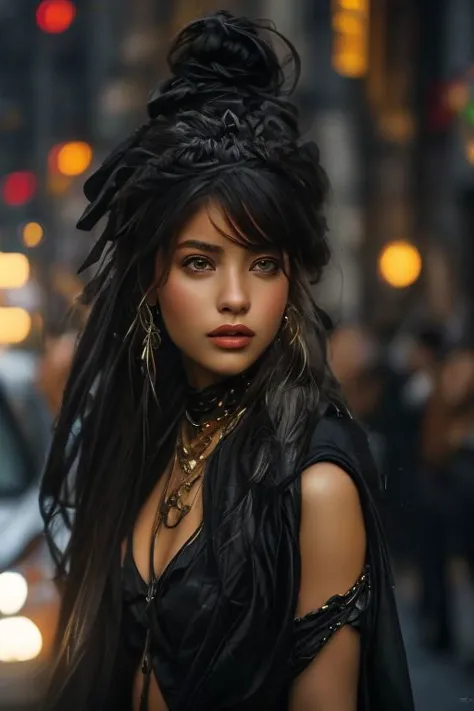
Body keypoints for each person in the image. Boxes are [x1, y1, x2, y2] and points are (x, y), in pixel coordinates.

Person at [39, 11, 414, 711]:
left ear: (290, 279)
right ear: (154, 277)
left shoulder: (316, 486)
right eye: (200, 262)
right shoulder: (148, 435)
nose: (235, 297)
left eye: (264, 264)